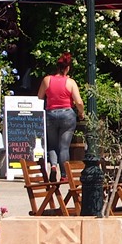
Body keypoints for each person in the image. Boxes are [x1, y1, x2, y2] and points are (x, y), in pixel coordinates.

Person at [38, 52, 84, 181]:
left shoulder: (47, 80)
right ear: (67, 68)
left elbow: (40, 97)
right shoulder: (70, 82)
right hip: (67, 115)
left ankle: (53, 166)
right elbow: (79, 102)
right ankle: (64, 175)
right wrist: (81, 112)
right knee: (64, 147)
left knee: (52, 145)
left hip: (50, 114)